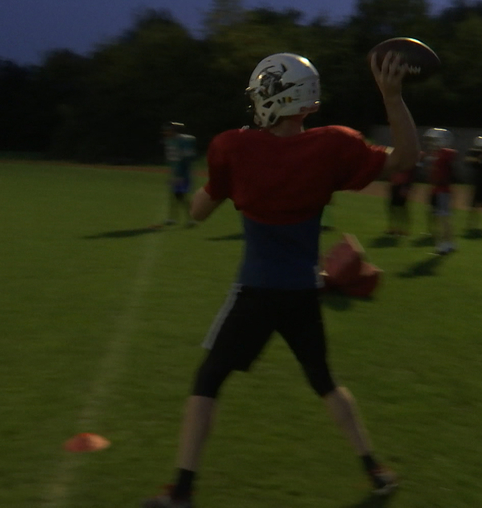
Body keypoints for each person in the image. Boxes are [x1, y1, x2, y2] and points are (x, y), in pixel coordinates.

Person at [142, 50, 419, 508]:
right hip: (302, 292)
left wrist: (212, 190)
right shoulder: (333, 146)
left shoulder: (235, 147)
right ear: (307, 102)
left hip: (256, 291)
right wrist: (392, 96)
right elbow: (407, 157)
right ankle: (375, 470)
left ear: (272, 94)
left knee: (208, 379)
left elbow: (198, 211)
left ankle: (182, 491)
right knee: (324, 379)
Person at [423, 128, 458, 255]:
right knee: (442, 217)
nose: (432, 143)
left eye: (434, 140)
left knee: (443, 218)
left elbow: (450, 155)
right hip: (438, 190)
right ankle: (449, 242)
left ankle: (444, 244)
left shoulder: (444, 154)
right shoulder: (437, 154)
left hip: (442, 190)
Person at [162, 122, 197, 226]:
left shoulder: (182, 141)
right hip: (176, 172)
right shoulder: (170, 141)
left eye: (167, 130)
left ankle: (191, 218)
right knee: (175, 196)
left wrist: (180, 175)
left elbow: (186, 159)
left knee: (181, 196)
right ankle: (173, 218)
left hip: (183, 173)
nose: (165, 132)